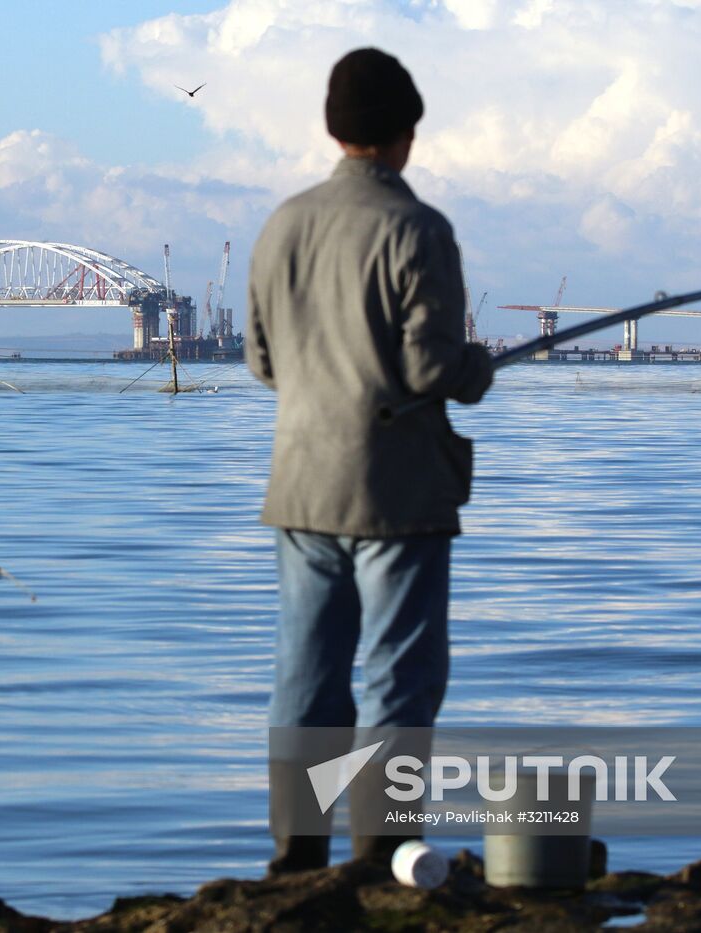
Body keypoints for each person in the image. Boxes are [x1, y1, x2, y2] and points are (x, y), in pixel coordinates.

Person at [246, 48, 494, 874]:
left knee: (306, 676)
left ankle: (297, 854)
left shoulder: (282, 224)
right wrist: (476, 367)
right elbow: (430, 369)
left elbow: (261, 360)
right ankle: (383, 850)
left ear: (332, 129)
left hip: (301, 486)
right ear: (404, 134)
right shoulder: (417, 229)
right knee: (398, 671)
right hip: (397, 493)